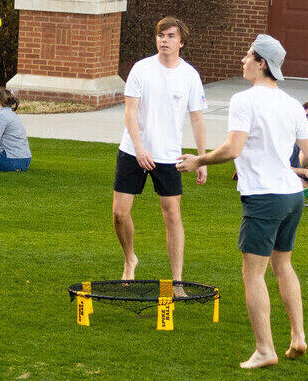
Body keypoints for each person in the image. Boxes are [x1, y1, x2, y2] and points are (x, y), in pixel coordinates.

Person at [175, 35, 308, 369]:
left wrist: (198, 161)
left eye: (248, 56)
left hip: (264, 198)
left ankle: (265, 350)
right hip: (292, 195)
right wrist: (285, 168)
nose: (242, 60)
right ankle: (298, 337)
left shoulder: (243, 100)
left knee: (253, 274)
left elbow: (233, 149)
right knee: (283, 265)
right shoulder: (293, 104)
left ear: (262, 63)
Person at [113, 16, 209, 282]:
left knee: (172, 214)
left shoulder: (190, 75)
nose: (163, 40)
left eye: (169, 36)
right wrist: (140, 148)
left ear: (181, 42)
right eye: (160, 36)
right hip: (133, 151)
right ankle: (129, 258)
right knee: (120, 213)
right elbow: (130, 113)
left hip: (169, 156)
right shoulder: (141, 69)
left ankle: (177, 280)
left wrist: (201, 160)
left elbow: (197, 118)